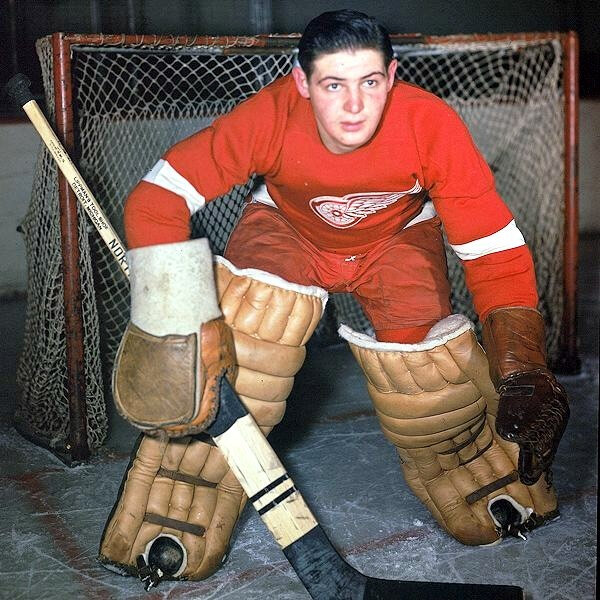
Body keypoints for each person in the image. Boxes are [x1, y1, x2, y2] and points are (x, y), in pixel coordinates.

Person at [99, 9, 569, 585]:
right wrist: (180, 320)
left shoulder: (430, 124)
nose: (354, 106)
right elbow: (156, 199)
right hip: (288, 227)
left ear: (392, 76)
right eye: (333, 85)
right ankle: (184, 479)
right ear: (301, 83)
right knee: (249, 333)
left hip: (397, 237)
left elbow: (493, 250)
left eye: (370, 83)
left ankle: (468, 461)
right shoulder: (270, 116)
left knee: (429, 365)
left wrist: (523, 369)